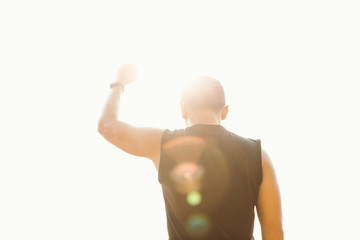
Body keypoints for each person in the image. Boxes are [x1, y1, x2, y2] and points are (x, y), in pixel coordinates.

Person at [98, 64, 284, 240]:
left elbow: (106, 126)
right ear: (225, 111)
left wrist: (119, 83)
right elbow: (274, 232)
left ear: (183, 109)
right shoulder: (258, 155)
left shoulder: (164, 145)